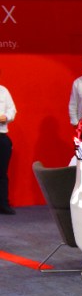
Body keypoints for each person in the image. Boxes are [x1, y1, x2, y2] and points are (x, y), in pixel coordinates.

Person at [0, 71, 16, 215]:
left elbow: (12, 110)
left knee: (2, 172)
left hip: (2, 136)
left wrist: (6, 116)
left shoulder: (3, 91)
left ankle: (3, 204)